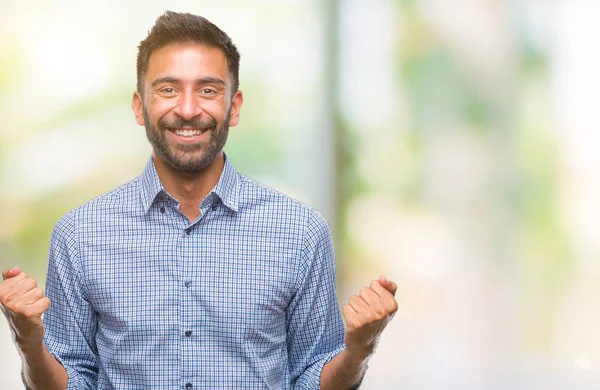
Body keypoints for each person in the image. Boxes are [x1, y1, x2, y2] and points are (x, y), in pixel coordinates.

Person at [0, 11, 398, 389]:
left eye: (208, 90)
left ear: (234, 107)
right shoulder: (79, 234)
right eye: (168, 89)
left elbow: (312, 379)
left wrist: (358, 351)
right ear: (140, 107)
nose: (188, 109)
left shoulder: (300, 232)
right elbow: (74, 382)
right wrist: (30, 345)